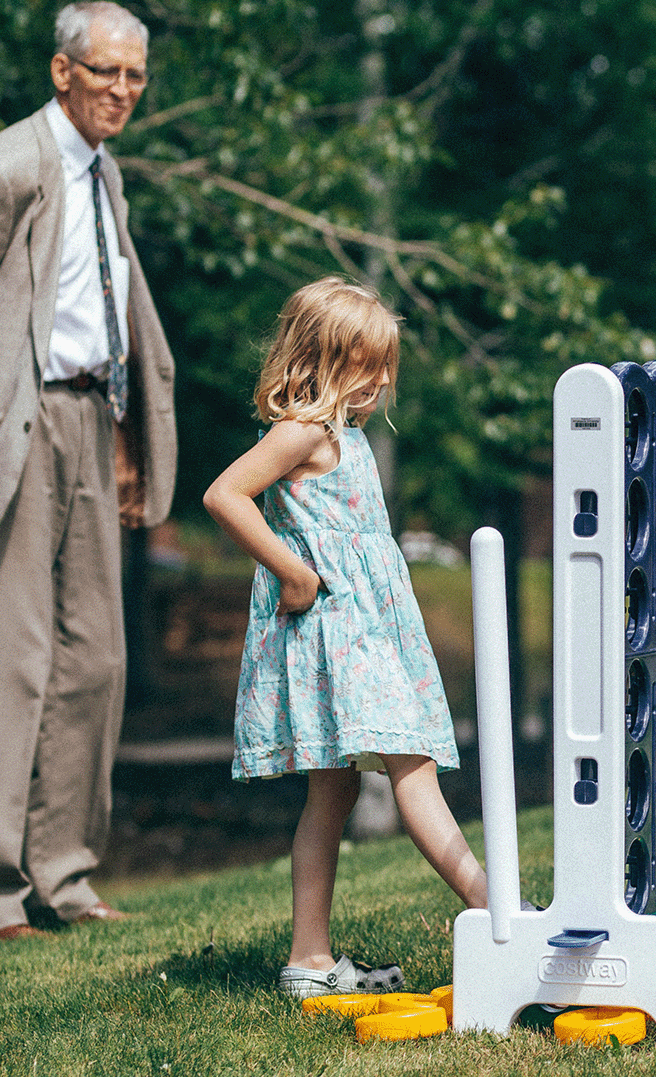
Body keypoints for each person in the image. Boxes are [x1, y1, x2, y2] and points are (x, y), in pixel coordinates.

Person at [0, 1, 177, 945]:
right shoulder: (9, 165)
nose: (124, 91)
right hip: (16, 428)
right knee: (8, 660)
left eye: (136, 76)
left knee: (97, 654)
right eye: (107, 74)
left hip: (94, 420)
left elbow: (106, 308)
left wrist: (129, 428)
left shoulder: (106, 171)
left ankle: (64, 877)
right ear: (63, 72)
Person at [203, 277, 487, 998]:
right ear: (325, 359)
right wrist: (294, 574)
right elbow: (224, 495)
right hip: (336, 633)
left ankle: (309, 960)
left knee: (330, 795)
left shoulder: (345, 437)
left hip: (365, 630)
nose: (384, 381)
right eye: (370, 365)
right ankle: (499, 915)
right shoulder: (303, 431)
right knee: (411, 766)